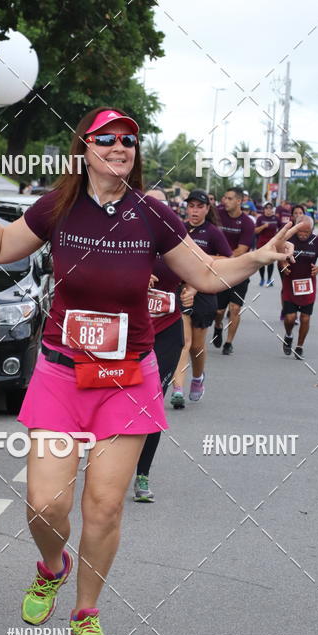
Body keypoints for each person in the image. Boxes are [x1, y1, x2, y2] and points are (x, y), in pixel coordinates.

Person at [0, 109, 296, 635]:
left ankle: (86, 612)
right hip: (63, 372)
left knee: (105, 506)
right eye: (106, 138)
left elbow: (205, 274)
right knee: (44, 504)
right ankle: (51, 566)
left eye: (128, 139)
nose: (119, 146)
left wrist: (258, 255)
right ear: (84, 148)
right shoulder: (58, 206)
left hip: (128, 378)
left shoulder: (151, 215)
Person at [133, 188, 194, 502]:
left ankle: (142, 474)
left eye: (161, 205)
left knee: (153, 404)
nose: (155, 209)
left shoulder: (176, 240)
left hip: (167, 333)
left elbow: (202, 268)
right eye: (148, 203)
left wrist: (192, 289)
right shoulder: (125, 239)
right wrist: (134, 276)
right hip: (128, 335)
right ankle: (112, 465)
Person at [171, 189, 232, 405]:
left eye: (199, 206)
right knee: (183, 343)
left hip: (205, 292)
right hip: (181, 291)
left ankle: (198, 378)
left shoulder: (213, 232)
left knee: (197, 346)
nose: (194, 210)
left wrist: (200, 259)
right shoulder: (179, 228)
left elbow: (226, 259)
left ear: (207, 209)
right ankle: (177, 389)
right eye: (191, 206)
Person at [212, 187, 256, 354]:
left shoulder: (247, 223)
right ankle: (217, 326)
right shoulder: (217, 215)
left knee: (235, 308)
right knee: (218, 311)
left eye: (230, 198)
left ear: (239, 201)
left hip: (240, 270)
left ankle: (229, 343)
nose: (225, 201)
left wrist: (219, 258)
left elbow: (241, 250)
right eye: (224, 197)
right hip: (220, 271)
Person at [280, 215, 318, 359]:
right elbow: (277, 256)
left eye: (306, 232)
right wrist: (283, 265)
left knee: (305, 318)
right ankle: (288, 336)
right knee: (290, 318)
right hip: (290, 282)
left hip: (308, 284)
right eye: (300, 231)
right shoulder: (288, 239)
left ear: (312, 230)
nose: (302, 235)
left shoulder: (317, 241)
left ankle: (300, 346)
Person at [256, 202, 280, 287]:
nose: (268, 210)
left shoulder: (276, 218)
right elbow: (255, 231)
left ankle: (269, 279)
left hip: (272, 242)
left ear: (272, 209)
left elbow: (281, 229)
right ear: (264, 209)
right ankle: (262, 278)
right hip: (262, 242)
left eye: (270, 208)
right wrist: (263, 226)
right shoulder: (260, 218)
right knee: (261, 261)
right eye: (267, 208)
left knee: (270, 261)